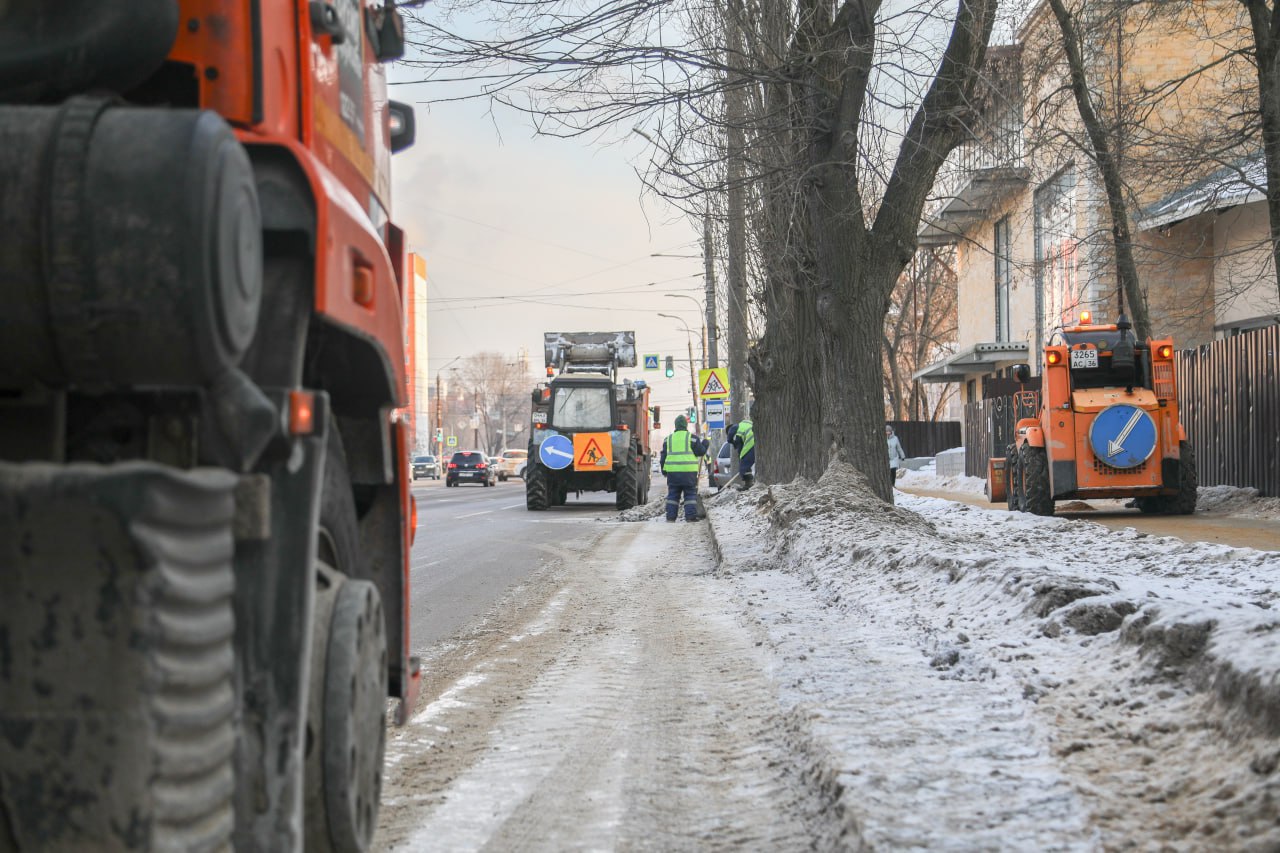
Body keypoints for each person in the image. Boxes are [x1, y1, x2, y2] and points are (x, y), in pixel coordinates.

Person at [660, 414, 708, 522]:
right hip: (689, 473)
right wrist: (705, 444)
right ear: (686, 425)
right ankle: (690, 517)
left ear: (676, 425)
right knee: (690, 494)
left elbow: (663, 457)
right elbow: (701, 452)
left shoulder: (668, 439)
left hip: (673, 473)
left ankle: (671, 517)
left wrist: (664, 470)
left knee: (673, 495)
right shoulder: (692, 439)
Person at [725, 412, 755, 489]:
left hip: (751, 441)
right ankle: (750, 482)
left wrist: (740, 457)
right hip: (758, 440)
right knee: (747, 462)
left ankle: (748, 484)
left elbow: (732, 441)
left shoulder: (734, 429)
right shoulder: (743, 425)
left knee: (744, 462)